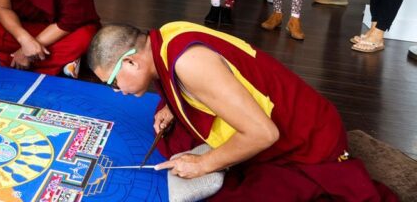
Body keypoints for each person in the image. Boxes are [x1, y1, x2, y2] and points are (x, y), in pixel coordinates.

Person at [87, 23, 397, 201]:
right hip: (276, 119)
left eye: (113, 82)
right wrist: (171, 103)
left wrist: (204, 164)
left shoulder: (189, 64)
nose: (117, 90)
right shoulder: (166, 35)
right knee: (175, 140)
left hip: (307, 138)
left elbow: (265, 133)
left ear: (131, 61)